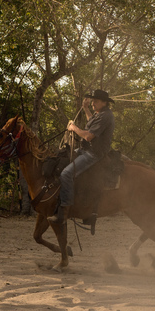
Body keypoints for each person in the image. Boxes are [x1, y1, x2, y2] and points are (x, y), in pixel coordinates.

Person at [48, 89, 115, 224]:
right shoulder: (100, 114)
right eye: (92, 101)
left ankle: (64, 212)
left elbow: (88, 136)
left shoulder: (106, 116)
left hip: (94, 153)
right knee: (60, 158)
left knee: (66, 174)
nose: (92, 103)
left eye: (95, 101)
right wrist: (85, 108)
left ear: (104, 102)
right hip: (85, 150)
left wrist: (74, 128)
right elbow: (92, 123)